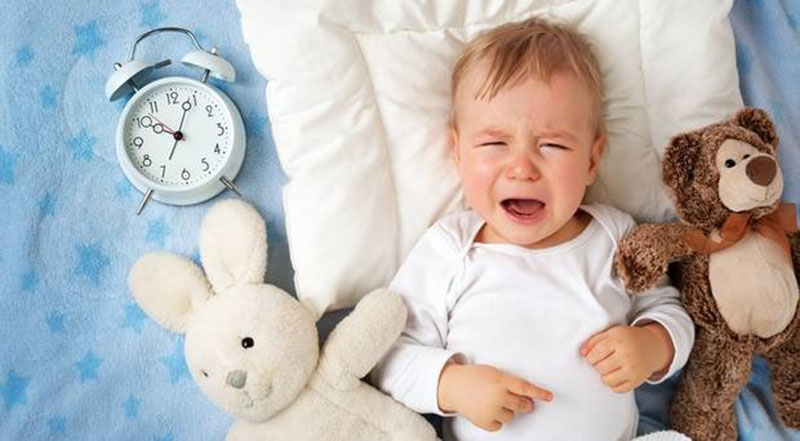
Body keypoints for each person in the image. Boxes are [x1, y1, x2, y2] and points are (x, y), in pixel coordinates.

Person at [370, 17, 694, 441]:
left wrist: (652, 345)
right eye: (494, 144)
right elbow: (387, 356)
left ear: (592, 161)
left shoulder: (612, 234)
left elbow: (672, 311)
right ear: (459, 153)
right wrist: (450, 385)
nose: (522, 168)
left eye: (552, 145)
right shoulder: (452, 248)